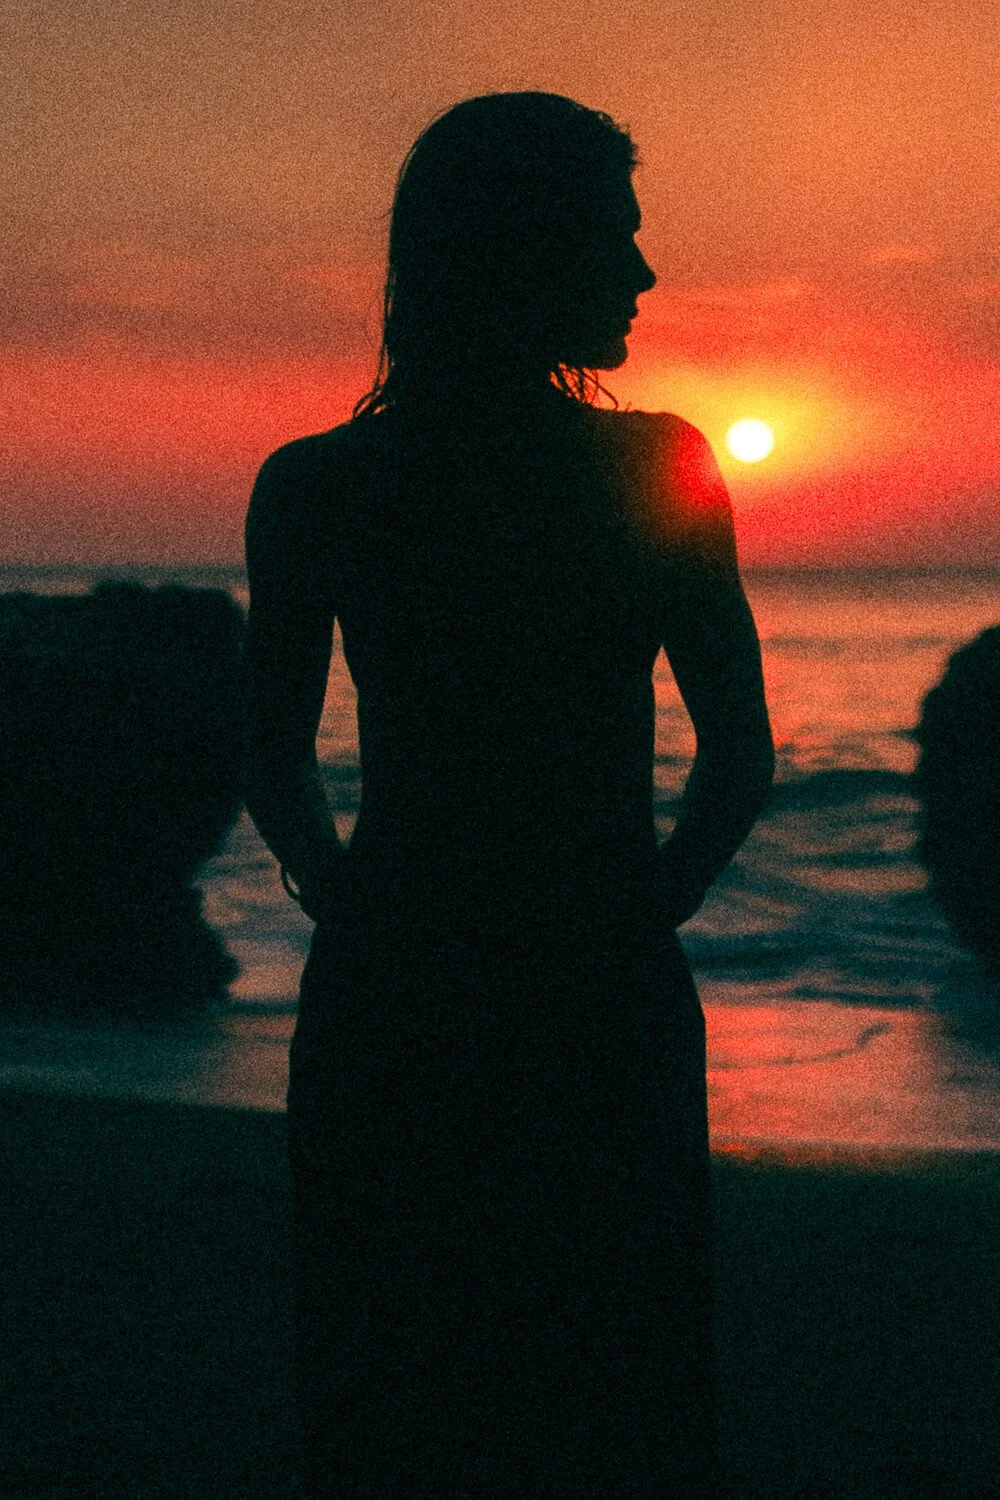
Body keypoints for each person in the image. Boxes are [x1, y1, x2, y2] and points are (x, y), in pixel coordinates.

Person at [242, 91, 774, 1499]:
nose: (643, 272)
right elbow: (738, 753)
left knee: (395, 1377)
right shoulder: (655, 466)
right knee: (614, 1382)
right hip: (596, 978)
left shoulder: (320, 484)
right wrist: (646, 906)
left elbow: (269, 752)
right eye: (616, 235)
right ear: (523, 247)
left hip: (392, 981)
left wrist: (342, 896)